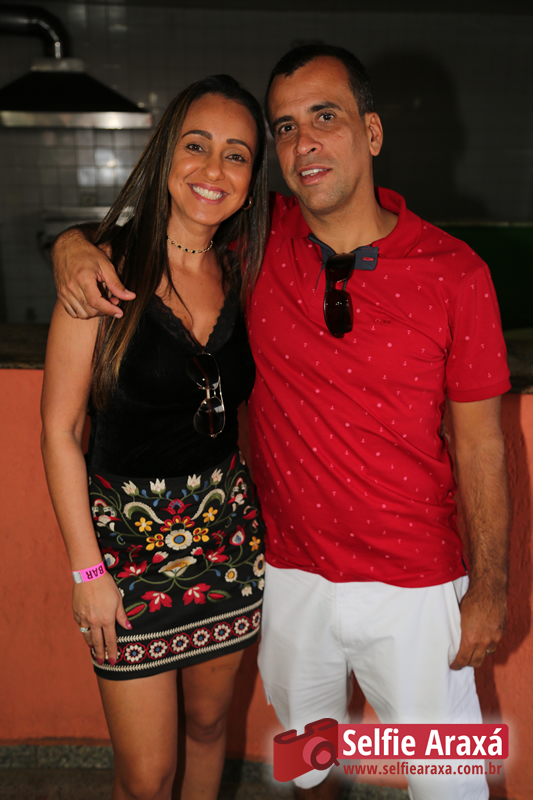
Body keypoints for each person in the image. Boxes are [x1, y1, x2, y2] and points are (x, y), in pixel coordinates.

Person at [51, 45, 509, 800]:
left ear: (372, 132)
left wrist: (489, 587)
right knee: (307, 767)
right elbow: (168, 222)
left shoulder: (456, 272)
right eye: (286, 126)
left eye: (324, 117)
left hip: (415, 587)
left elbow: (482, 442)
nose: (304, 143)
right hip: (287, 578)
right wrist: (71, 245)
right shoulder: (259, 242)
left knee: (450, 782)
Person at [41, 74, 269, 800]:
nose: (213, 169)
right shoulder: (103, 270)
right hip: (124, 553)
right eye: (197, 145)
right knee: (146, 776)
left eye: (236, 155)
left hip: (227, 541)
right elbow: (60, 430)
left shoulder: (246, 269)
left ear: (252, 179)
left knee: (208, 727)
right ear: (167, 151)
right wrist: (87, 574)